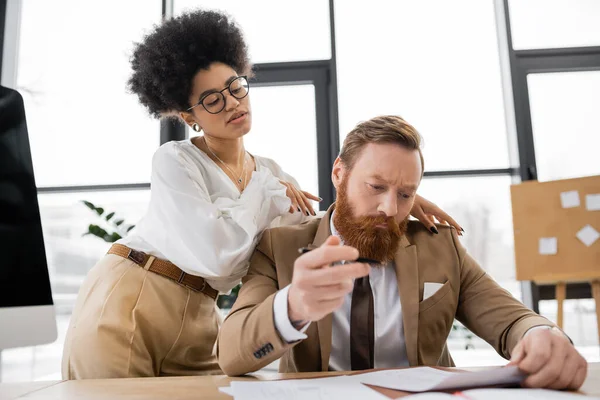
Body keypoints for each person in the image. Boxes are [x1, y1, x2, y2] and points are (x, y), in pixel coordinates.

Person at [61, 11, 459, 379]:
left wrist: (394, 194)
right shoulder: (176, 161)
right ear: (188, 116)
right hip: (136, 292)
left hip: (201, 313)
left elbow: (321, 224)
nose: (233, 102)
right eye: (212, 99)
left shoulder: (269, 172)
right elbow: (217, 256)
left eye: (235, 86)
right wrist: (265, 188)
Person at [218, 115, 588, 391]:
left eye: (406, 194)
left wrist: (542, 335)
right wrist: (293, 306)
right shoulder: (278, 247)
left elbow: (511, 321)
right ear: (338, 174)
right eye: (376, 186)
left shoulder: (439, 246)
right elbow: (231, 353)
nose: (389, 208)